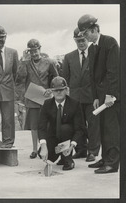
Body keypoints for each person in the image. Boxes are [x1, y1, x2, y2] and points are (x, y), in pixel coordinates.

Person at [78, 14, 120, 174]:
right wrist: (95, 97)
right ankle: (105, 157)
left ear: (95, 29)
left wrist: (110, 95)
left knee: (112, 130)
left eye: (87, 33)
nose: (85, 37)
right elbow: (93, 76)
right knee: (102, 128)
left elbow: (113, 72)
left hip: (112, 96)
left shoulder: (109, 43)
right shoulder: (92, 47)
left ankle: (112, 163)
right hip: (101, 96)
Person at [62, 27, 101, 162]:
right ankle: (81, 150)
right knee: (78, 125)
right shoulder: (68, 57)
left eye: (83, 40)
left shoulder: (95, 53)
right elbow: (65, 79)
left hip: (91, 97)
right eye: (78, 41)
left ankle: (93, 151)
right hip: (75, 98)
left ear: (87, 39)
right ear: (75, 41)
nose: (81, 43)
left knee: (93, 124)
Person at [16, 39, 58, 159]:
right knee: (34, 126)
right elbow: (20, 78)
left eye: (36, 50)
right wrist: (23, 61)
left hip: (46, 97)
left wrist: (51, 89)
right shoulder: (26, 63)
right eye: (32, 52)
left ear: (40, 49)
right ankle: (34, 149)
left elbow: (56, 78)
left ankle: (47, 146)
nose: (34, 54)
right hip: (32, 97)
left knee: (48, 124)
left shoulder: (49, 62)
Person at [38, 76, 85, 171]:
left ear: (66, 90)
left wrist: (72, 146)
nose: (58, 92)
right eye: (55, 90)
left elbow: (80, 129)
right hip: (54, 137)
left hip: (68, 136)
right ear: (51, 91)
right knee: (43, 154)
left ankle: (67, 159)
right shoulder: (47, 104)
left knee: (65, 128)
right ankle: (59, 154)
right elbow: (41, 127)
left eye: (61, 90)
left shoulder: (75, 104)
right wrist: (43, 146)